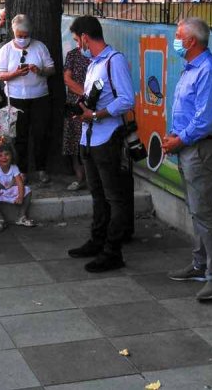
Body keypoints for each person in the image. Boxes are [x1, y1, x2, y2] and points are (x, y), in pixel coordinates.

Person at [163, 17, 212, 301]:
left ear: (191, 41)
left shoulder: (208, 71)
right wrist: (174, 138)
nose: (175, 40)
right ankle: (200, 264)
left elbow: (203, 120)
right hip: (189, 147)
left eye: (179, 36)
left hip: (201, 149)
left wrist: (179, 140)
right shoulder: (191, 68)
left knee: (203, 212)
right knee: (196, 210)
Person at [67, 15, 135, 273]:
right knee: (97, 194)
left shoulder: (113, 61)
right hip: (89, 137)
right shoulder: (94, 63)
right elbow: (94, 96)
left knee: (113, 197)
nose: (77, 45)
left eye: (77, 40)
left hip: (107, 138)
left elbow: (127, 100)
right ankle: (97, 240)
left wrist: (96, 115)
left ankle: (112, 250)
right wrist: (83, 109)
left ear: (85, 36)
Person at [0, 14, 55, 183]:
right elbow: (1, 75)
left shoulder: (39, 47)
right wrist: (15, 73)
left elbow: (51, 69)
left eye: (25, 36)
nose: (22, 39)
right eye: (19, 36)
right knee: (20, 136)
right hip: (15, 97)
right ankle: (22, 170)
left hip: (39, 97)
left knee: (40, 134)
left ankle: (41, 168)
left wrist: (40, 70)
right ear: (13, 32)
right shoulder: (6, 49)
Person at [0, 141, 35, 229]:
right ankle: (1, 219)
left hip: (10, 191)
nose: (4, 158)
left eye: (7, 154)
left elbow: (20, 182)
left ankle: (22, 217)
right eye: (0, 155)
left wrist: (20, 196)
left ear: (12, 156)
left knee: (27, 190)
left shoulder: (14, 167)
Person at [62, 43, 91, 191]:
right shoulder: (72, 55)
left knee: (87, 145)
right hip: (74, 104)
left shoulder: (98, 56)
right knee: (73, 143)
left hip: (91, 106)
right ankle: (80, 178)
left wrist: (90, 99)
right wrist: (84, 95)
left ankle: (90, 179)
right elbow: (67, 79)